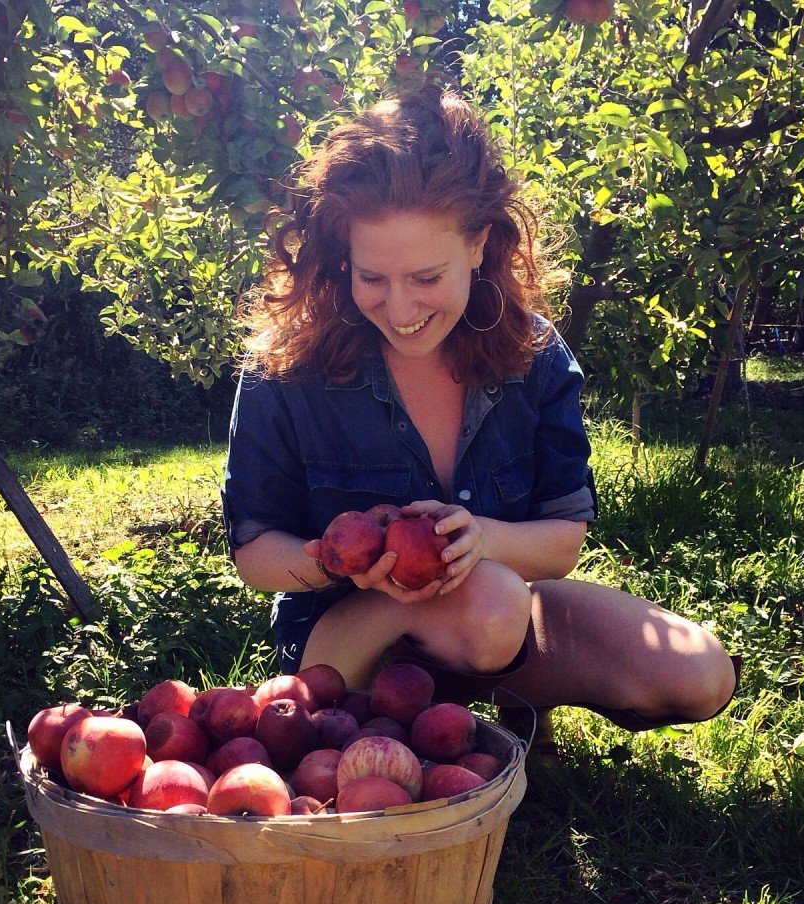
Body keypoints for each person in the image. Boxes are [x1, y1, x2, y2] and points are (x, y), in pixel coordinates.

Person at [222, 84, 737, 745]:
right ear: (342, 254)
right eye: (372, 277)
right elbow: (254, 551)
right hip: (349, 642)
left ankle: (494, 695)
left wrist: (480, 541)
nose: (401, 309)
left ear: (478, 245)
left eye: (426, 277)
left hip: (498, 625)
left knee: (700, 674)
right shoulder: (289, 370)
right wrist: (347, 563)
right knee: (491, 604)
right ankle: (392, 725)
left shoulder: (533, 355)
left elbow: (562, 539)